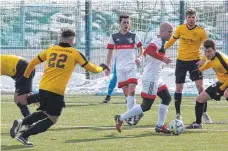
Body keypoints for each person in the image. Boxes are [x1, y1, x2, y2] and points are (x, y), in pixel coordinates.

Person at [9, 29, 108, 146]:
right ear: (72, 40)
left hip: (43, 87)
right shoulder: (75, 53)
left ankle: (22, 122)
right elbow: (92, 69)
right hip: (56, 91)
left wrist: (25, 78)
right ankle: (24, 135)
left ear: (61, 38)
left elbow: (32, 63)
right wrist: (102, 67)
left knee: (45, 112)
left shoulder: (51, 49)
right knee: (53, 118)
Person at [115, 22, 173, 133]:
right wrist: (163, 58)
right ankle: (121, 118)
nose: (171, 34)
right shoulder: (157, 41)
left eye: (172, 32)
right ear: (162, 32)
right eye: (169, 32)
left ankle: (160, 126)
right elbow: (148, 50)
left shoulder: (161, 41)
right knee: (146, 106)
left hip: (156, 77)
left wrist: (161, 58)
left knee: (166, 98)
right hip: (151, 78)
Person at [165, 8, 212, 123]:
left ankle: (204, 112)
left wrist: (203, 60)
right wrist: (163, 49)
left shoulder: (201, 31)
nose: (191, 20)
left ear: (196, 18)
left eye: (193, 17)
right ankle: (178, 114)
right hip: (181, 61)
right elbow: (172, 40)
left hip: (195, 62)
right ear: (186, 18)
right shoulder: (180, 28)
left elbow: (207, 47)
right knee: (179, 88)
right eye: (189, 17)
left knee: (200, 87)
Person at [105, 14, 144, 125]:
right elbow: (110, 52)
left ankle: (128, 116)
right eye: (124, 22)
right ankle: (137, 113)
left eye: (128, 22)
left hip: (131, 67)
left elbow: (141, 50)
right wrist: (108, 66)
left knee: (132, 91)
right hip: (120, 69)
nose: (126, 25)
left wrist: (139, 57)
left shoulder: (134, 36)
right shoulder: (113, 37)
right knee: (127, 94)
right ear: (120, 23)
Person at [186, 39, 228, 129]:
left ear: (214, 50)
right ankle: (198, 124)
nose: (207, 53)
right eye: (205, 51)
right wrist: (199, 71)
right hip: (222, 82)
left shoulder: (223, 60)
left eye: (209, 51)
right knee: (200, 99)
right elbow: (210, 64)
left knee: (226, 93)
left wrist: (220, 90)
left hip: (226, 83)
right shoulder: (211, 58)